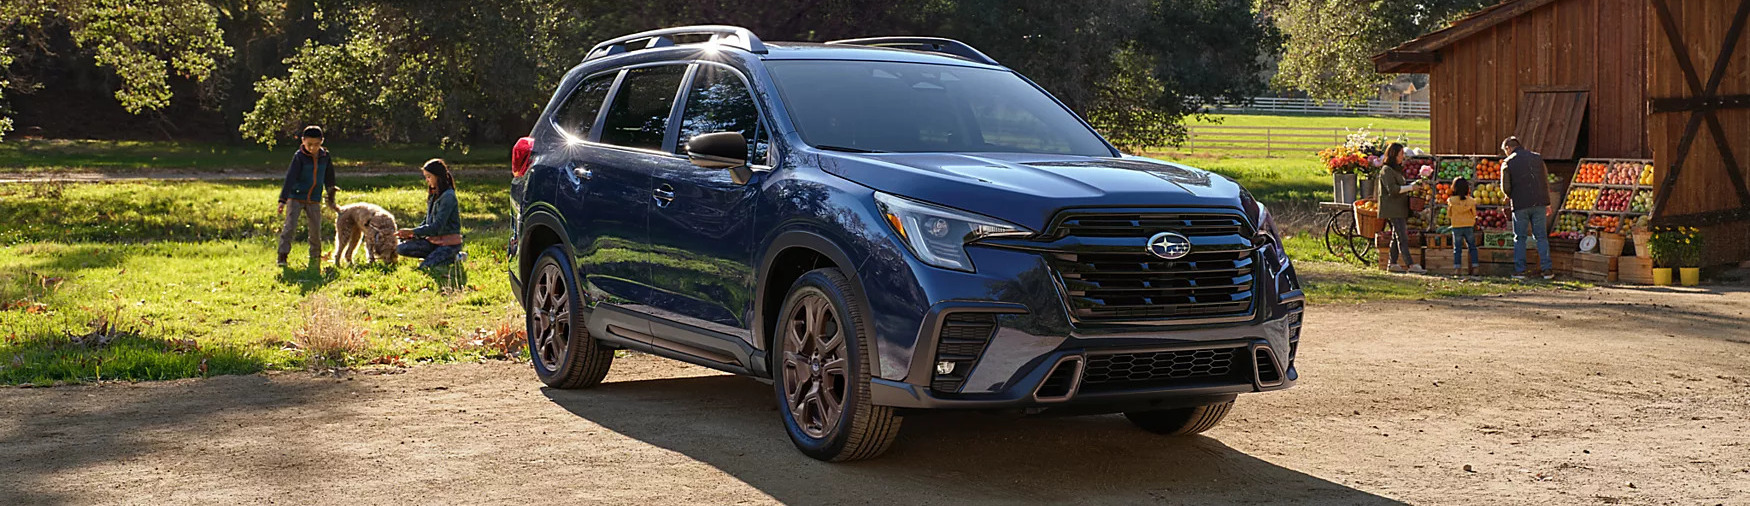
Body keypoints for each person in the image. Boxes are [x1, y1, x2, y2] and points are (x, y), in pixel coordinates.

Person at [277, 125, 339, 268]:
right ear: (303, 141)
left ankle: (315, 256)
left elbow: (329, 176)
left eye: (316, 144)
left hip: (314, 199)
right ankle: (282, 255)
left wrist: (331, 194)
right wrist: (283, 200)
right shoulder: (299, 157)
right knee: (290, 227)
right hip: (296, 197)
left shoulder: (325, 156)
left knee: (315, 230)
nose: (312, 148)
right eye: (309, 144)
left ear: (322, 141)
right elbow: (290, 178)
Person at [1498, 136, 1553, 279]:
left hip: (1520, 204)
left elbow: (1506, 187)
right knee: (1541, 236)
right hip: (1539, 202)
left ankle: (1520, 270)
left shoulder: (1508, 162)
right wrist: (1547, 202)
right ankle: (1547, 270)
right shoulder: (1537, 158)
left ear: (1508, 148)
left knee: (1520, 237)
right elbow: (1545, 180)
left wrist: (1509, 196)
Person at [396, 158, 464, 268]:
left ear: (438, 176)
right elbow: (427, 221)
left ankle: (454, 256)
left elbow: (437, 226)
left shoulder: (448, 197)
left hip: (449, 244)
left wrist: (413, 231)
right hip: (432, 242)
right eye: (426, 177)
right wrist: (412, 234)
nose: (427, 180)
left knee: (425, 267)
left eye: (429, 177)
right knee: (401, 248)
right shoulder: (434, 194)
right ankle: (437, 256)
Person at [1376, 142, 1426, 273]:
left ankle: (1392, 264)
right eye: (1401, 154)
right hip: (1393, 209)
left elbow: (1401, 187)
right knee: (1402, 237)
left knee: (1396, 235)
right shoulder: (1386, 171)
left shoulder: (1395, 170)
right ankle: (1410, 265)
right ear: (1394, 155)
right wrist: (1411, 187)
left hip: (1399, 208)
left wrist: (1413, 185)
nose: (1403, 156)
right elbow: (1393, 190)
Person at [1447, 177, 1480, 275]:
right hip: (1468, 225)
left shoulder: (1451, 200)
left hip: (1456, 226)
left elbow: (1449, 214)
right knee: (1472, 247)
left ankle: (1457, 269)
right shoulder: (1471, 201)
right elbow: (1474, 214)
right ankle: (1475, 268)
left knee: (1457, 248)